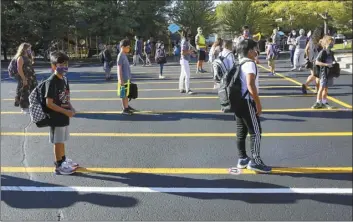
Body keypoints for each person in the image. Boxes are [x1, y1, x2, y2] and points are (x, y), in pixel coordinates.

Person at [234, 39, 271, 173]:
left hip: (237, 101)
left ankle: (242, 158)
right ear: (249, 51)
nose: (257, 51)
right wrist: (258, 103)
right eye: (255, 49)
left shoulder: (239, 62)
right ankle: (255, 161)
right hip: (247, 101)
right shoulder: (249, 64)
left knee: (241, 131)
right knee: (255, 132)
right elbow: (250, 85)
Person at [45, 51, 78, 175]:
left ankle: (63, 159)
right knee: (58, 141)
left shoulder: (64, 79)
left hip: (64, 115)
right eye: (61, 64)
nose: (64, 66)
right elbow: (49, 103)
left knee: (62, 139)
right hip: (55, 116)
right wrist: (65, 111)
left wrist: (71, 108)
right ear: (53, 66)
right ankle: (59, 165)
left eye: (65, 63)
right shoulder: (51, 81)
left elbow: (66, 97)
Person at [312, 35, 336, 109]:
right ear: (325, 43)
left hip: (329, 73)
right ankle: (318, 102)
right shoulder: (323, 52)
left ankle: (324, 102)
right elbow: (316, 62)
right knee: (321, 88)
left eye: (332, 43)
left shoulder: (331, 53)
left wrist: (334, 64)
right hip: (323, 73)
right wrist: (326, 64)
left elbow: (333, 60)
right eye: (330, 43)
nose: (331, 45)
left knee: (326, 88)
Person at [13, 42, 38, 114]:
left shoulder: (28, 56)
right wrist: (24, 79)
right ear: (24, 49)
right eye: (28, 49)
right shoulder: (20, 58)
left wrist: (33, 57)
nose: (30, 50)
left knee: (31, 91)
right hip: (25, 77)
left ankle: (29, 105)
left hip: (31, 77)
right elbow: (19, 69)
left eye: (30, 49)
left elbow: (30, 65)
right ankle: (23, 108)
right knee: (24, 92)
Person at [301, 28, 323, 94]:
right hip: (318, 60)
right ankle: (306, 85)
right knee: (317, 76)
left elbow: (306, 49)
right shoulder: (320, 41)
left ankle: (316, 89)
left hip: (311, 60)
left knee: (313, 74)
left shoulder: (310, 40)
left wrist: (308, 57)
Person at [117, 39, 136, 115]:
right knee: (123, 94)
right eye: (127, 47)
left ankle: (127, 106)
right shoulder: (120, 56)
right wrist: (120, 80)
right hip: (123, 79)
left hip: (127, 78)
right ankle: (125, 109)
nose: (129, 48)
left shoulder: (124, 55)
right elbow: (119, 69)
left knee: (127, 94)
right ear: (122, 47)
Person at [179, 29, 194, 95]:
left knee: (182, 75)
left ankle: (181, 88)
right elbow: (182, 52)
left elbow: (186, 51)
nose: (190, 33)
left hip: (184, 60)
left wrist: (191, 53)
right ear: (186, 33)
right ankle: (188, 89)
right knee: (187, 75)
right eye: (189, 32)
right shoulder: (184, 41)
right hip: (184, 60)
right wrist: (189, 51)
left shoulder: (186, 41)